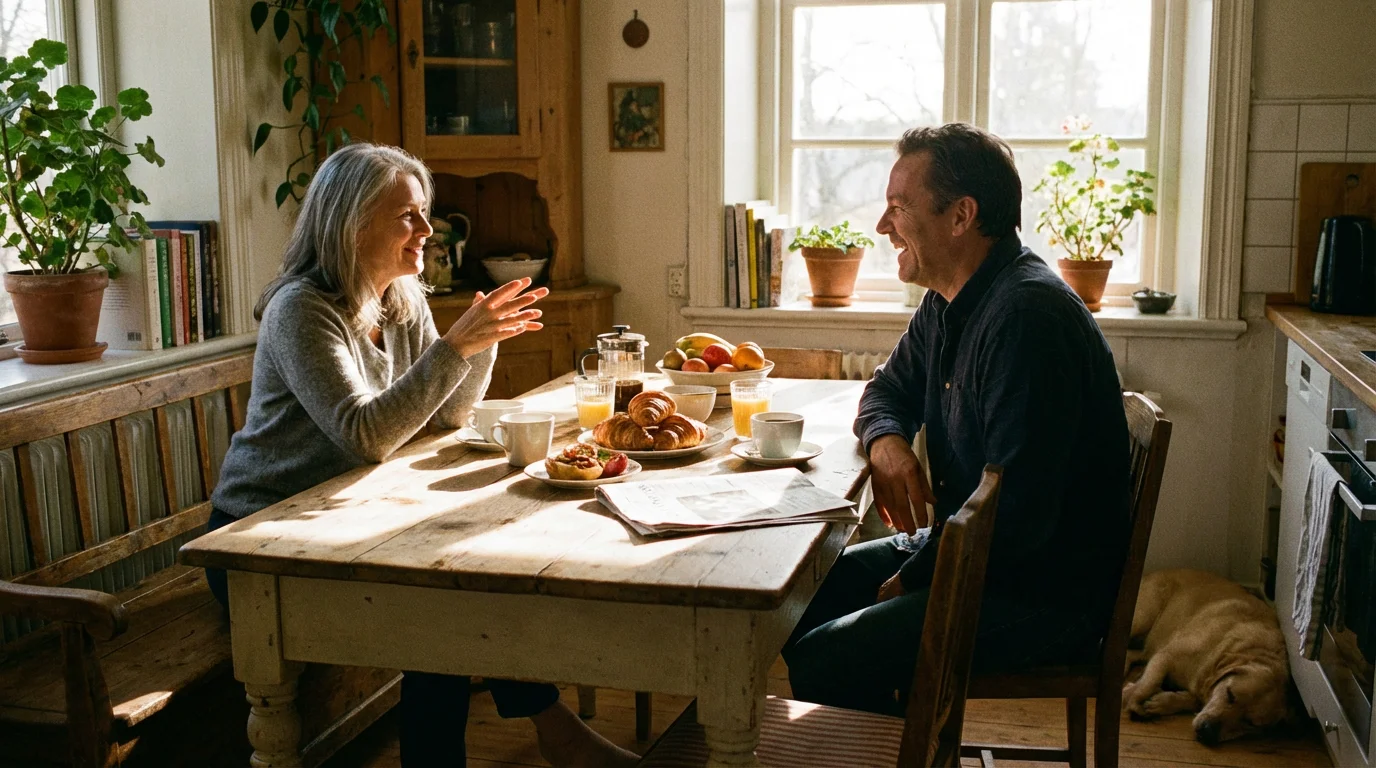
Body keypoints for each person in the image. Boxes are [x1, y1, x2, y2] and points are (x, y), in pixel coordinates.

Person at [204, 142, 638, 767]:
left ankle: (554, 730)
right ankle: (556, 732)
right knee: (443, 619)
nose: (427, 232)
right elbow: (366, 434)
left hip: (346, 518)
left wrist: (482, 340)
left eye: (424, 213)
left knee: (458, 603)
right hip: (259, 539)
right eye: (408, 215)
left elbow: (447, 416)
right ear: (353, 222)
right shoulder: (301, 311)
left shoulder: (400, 299)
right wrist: (454, 348)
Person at [781, 123, 1131, 715]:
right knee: (801, 595)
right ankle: (903, 752)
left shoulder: (1026, 320)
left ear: (961, 216)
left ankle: (905, 752)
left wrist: (920, 576)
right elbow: (886, 390)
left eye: (898, 207)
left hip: (1040, 592)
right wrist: (887, 443)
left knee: (825, 656)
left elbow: (1018, 516)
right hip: (983, 554)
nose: (882, 226)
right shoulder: (952, 300)